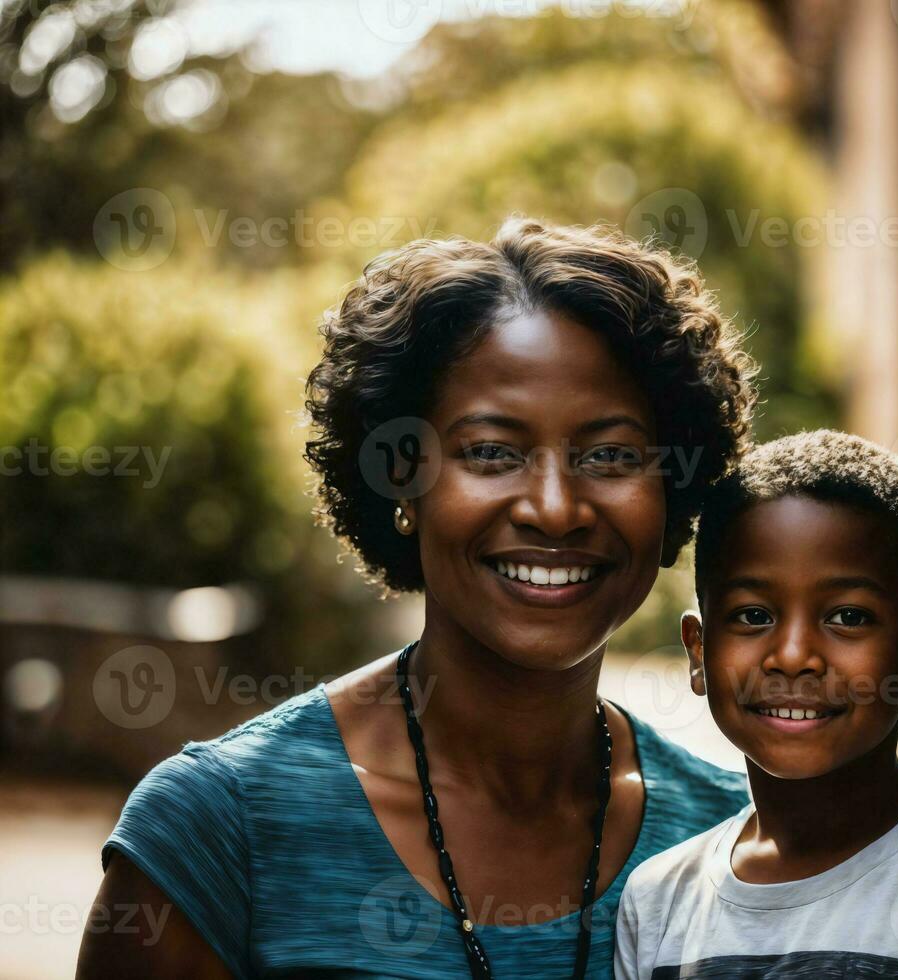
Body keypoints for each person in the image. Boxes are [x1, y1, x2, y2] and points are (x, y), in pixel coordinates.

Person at [77, 218, 758, 979]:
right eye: (491, 451)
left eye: (609, 455)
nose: (556, 508)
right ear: (402, 479)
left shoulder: (739, 845)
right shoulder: (218, 831)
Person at [615, 430, 898, 979]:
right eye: (753, 615)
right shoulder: (658, 901)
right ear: (698, 653)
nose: (792, 657)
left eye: (849, 617)